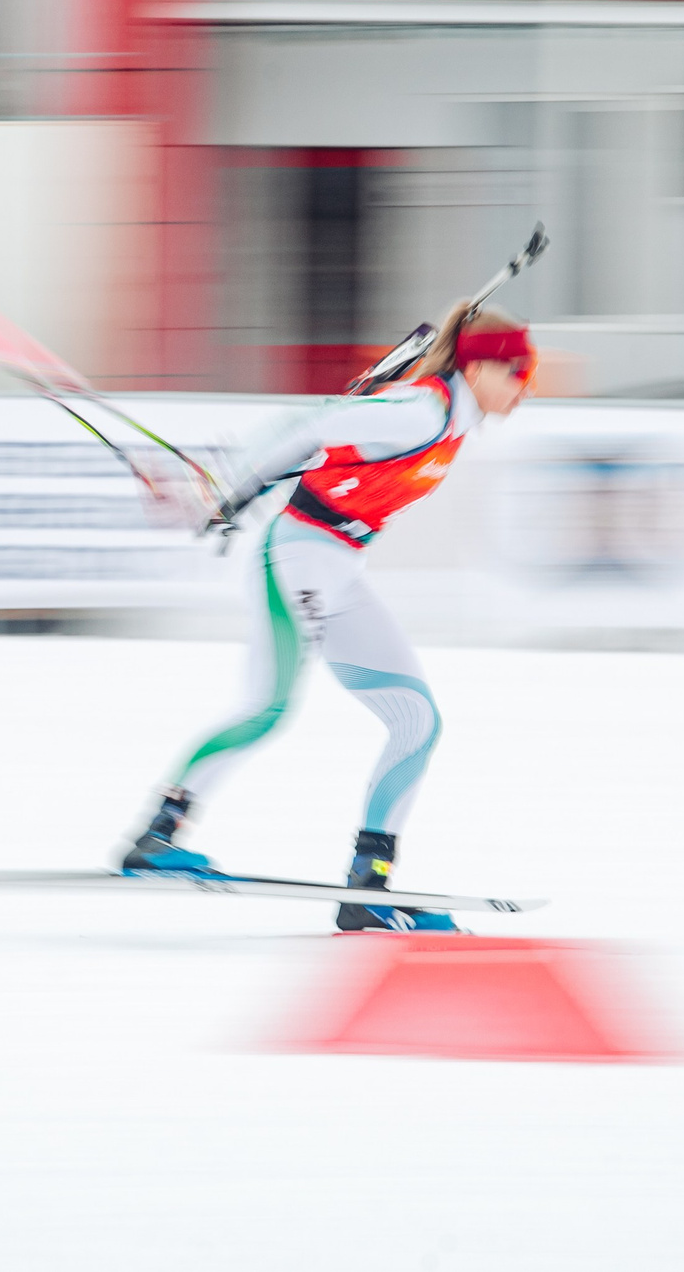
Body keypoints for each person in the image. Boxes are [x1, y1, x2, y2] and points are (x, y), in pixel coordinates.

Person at [120, 302, 537, 931]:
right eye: (516, 374)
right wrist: (228, 489)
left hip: (341, 571)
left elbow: (331, 450)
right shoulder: (420, 410)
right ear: (479, 370)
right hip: (296, 561)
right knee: (269, 709)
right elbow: (308, 428)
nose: (524, 389)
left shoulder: (451, 416)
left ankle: (368, 886)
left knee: (417, 722)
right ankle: (158, 838)